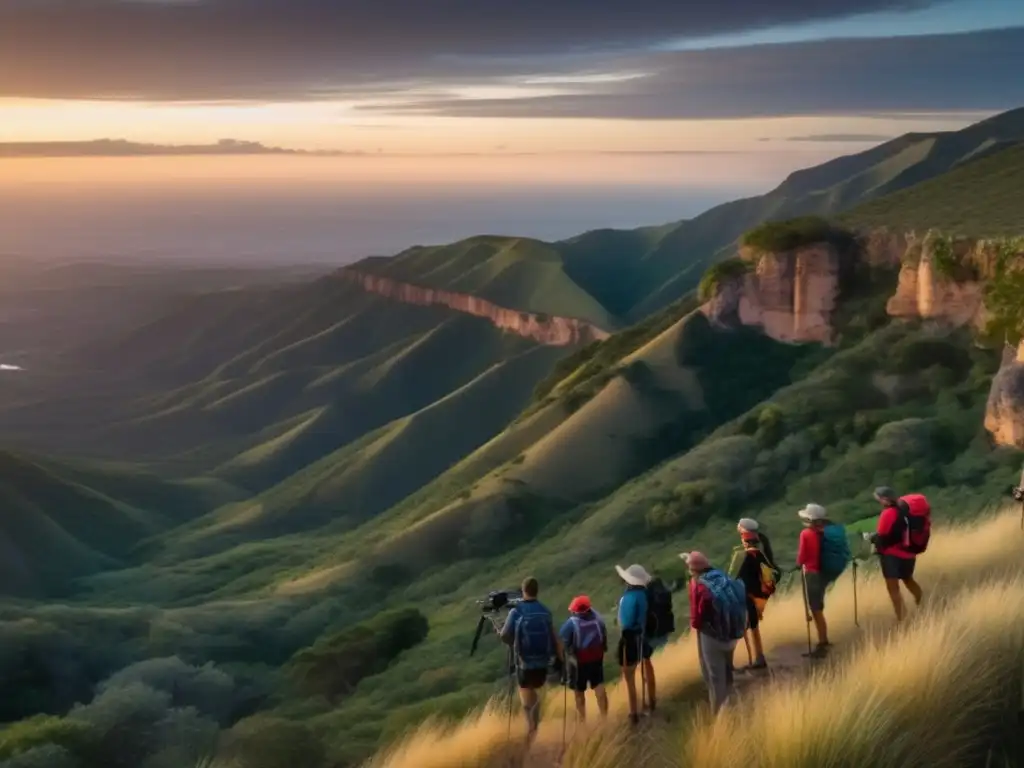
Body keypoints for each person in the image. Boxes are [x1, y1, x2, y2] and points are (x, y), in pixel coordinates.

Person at [500, 577, 564, 742]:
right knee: (534, 692)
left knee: (526, 698)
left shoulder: (516, 612)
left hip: (524, 663)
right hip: (543, 663)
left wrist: (509, 638)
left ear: (523, 590)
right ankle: (534, 725)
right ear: (537, 591)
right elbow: (555, 639)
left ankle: (532, 731)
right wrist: (561, 661)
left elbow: (505, 636)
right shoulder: (545, 611)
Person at [680, 550, 742, 714]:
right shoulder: (722, 577)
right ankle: (731, 704)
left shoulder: (700, 586)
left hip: (712, 637)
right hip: (731, 634)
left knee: (715, 677)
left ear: (694, 570)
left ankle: (719, 716)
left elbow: (696, 620)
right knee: (727, 671)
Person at [869, 486, 924, 622]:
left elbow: (882, 536)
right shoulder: (905, 511)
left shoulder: (888, 513)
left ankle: (902, 618)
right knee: (908, 580)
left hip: (891, 556)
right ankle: (922, 605)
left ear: (884, 499)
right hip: (908, 554)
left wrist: (871, 538)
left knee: (893, 589)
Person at [732, 518, 779, 670]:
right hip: (759, 598)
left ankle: (731, 663)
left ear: (744, 539)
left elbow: (735, 578)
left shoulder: (744, 557)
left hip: (748, 597)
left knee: (739, 628)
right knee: (753, 626)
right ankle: (759, 657)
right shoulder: (761, 554)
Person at [614, 563, 656, 724]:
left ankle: (633, 713)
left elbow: (626, 622)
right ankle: (651, 701)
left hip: (630, 638)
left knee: (629, 675)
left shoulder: (628, 597)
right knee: (646, 666)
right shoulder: (643, 595)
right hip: (642, 636)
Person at [558, 595, 609, 721]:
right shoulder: (598, 621)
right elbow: (604, 641)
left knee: (579, 692)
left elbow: (562, 640)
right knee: (599, 687)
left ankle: (582, 720)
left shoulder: (571, 623)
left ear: (575, 610)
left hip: (578, 663)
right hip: (596, 660)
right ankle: (604, 717)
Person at [796, 503, 832, 658]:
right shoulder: (825, 533)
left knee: (815, 609)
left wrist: (798, 564)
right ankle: (823, 639)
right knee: (819, 608)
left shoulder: (806, 533)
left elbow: (802, 556)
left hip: (811, 573)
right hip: (823, 573)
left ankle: (823, 642)